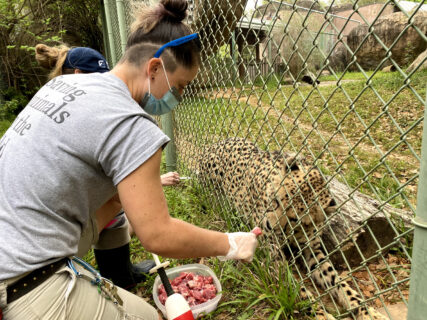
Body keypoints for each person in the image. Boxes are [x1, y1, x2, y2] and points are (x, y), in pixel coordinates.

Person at [0, 0, 259, 319]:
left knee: (114, 213)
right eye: (179, 86)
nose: (177, 97)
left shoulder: (67, 84)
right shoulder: (132, 124)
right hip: (20, 280)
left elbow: (108, 198)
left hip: (12, 239)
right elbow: (158, 235)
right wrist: (229, 243)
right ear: (153, 68)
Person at [35, 43, 181, 289]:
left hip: (70, 211)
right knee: (116, 204)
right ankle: (82, 278)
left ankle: (121, 272)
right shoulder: (74, 112)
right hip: (46, 239)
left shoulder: (61, 99)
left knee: (117, 209)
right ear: (79, 76)